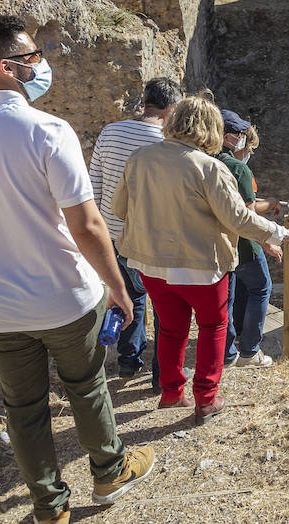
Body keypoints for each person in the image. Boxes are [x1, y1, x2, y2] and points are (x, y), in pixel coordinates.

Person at [0, 15, 153, 523]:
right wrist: (117, 285)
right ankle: (109, 472)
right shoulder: (49, 130)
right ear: (5, 67)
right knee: (86, 386)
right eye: (32, 57)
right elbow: (86, 225)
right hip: (63, 295)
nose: (41, 65)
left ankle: (50, 506)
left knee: (23, 409)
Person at [114, 96, 289, 422]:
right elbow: (239, 219)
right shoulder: (209, 167)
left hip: (151, 263)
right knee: (213, 326)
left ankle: (172, 394)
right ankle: (206, 398)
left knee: (170, 330)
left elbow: (119, 209)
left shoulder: (139, 158)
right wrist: (280, 233)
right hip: (201, 267)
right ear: (211, 128)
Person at [88, 76, 182, 380]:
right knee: (164, 304)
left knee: (128, 294)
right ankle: (161, 375)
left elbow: (95, 186)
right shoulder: (168, 144)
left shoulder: (110, 132)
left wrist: (101, 231)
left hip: (113, 235)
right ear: (172, 107)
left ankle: (128, 361)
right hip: (153, 240)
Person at [216, 109, 282, 368]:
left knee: (232, 295)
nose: (246, 146)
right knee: (261, 287)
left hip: (218, 244)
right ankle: (250, 350)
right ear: (231, 138)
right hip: (244, 244)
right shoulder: (236, 168)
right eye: (242, 137)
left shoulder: (204, 161)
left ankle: (230, 348)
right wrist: (267, 241)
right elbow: (248, 212)